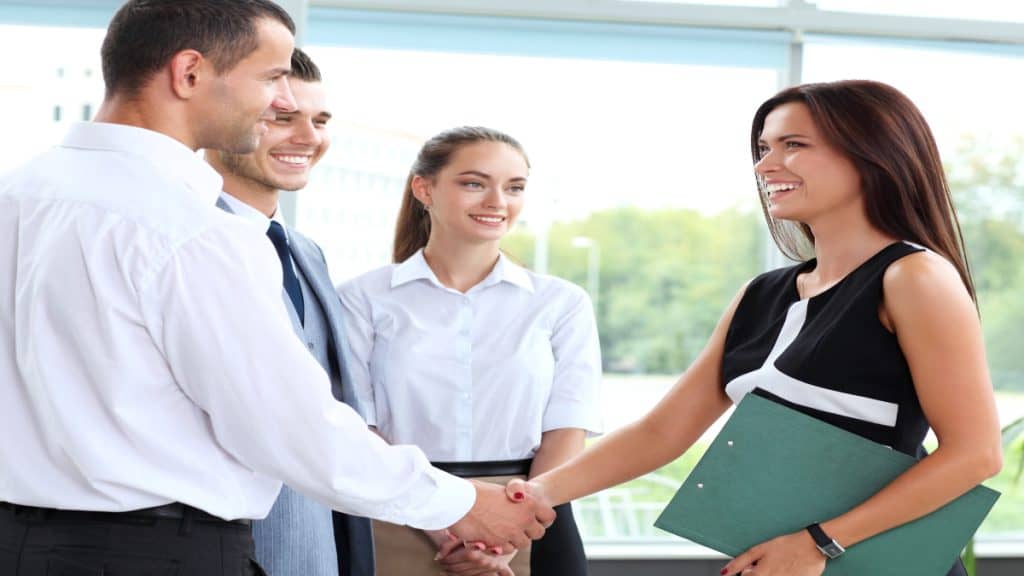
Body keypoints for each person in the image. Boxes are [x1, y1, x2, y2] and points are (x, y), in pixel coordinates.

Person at [0, 2, 553, 574]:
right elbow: (292, 427)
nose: (279, 101)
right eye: (269, 79)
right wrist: (461, 502)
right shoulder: (195, 231)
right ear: (188, 74)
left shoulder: (15, 197)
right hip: (159, 552)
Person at [504, 80, 1003, 576]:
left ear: (871, 155)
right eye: (764, 148)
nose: (765, 165)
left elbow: (975, 455)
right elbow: (661, 432)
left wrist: (821, 543)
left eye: (794, 146)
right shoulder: (761, 295)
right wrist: (534, 495)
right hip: (779, 561)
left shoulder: (914, 277)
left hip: (864, 562)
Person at [338, 126, 602, 576]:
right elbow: (357, 427)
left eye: (514, 187)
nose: (498, 201)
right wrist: (447, 521)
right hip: (397, 511)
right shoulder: (362, 299)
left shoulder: (562, 303)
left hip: (532, 514)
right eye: (474, 183)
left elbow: (567, 430)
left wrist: (508, 529)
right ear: (424, 189)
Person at [205, 47, 373, 576]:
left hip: (318, 544)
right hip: (223, 545)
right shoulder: (187, 240)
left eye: (319, 121)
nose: (308, 138)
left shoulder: (307, 252)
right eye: (282, 119)